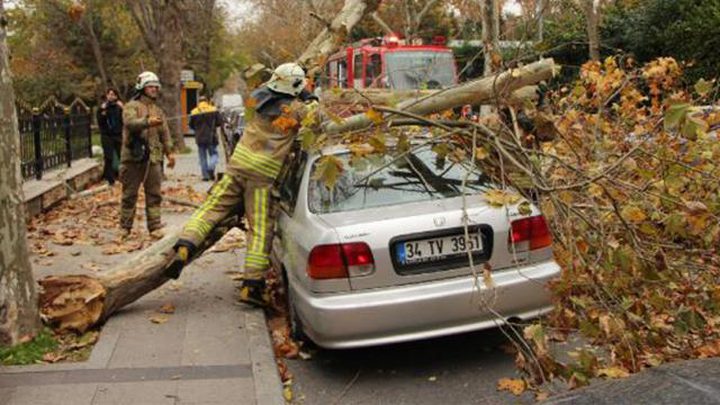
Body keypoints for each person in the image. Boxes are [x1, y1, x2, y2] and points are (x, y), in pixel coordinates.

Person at [165, 63, 318, 306]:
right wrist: (310, 96)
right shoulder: (296, 110)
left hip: (238, 165)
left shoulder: (254, 100)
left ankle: (185, 245)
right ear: (296, 87)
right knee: (260, 229)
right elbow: (317, 118)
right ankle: (252, 286)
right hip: (262, 175)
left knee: (211, 208)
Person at [119, 71, 175, 239]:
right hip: (133, 158)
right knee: (129, 194)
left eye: (156, 86)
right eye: (150, 86)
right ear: (142, 88)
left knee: (154, 194)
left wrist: (169, 152)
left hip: (154, 158)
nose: (154, 89)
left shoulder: (158, 110)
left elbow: (165, 133)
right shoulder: (131, 106)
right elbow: (129, 123)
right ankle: (125, 228)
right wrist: (146, 122)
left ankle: (155, 227)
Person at [189, 96, 221, 181]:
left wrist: (198, 129)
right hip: (211, 137)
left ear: (199, 102)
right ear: (207, 101)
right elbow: (219, 122)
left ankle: (205, 176)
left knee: (202, 157)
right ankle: (211, 167)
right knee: (214, 154)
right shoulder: (213, 110)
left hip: (199, 138)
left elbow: (191, 125)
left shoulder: (194, 112)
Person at [97, 88, 124, 185]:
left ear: (116, 96)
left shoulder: (119, 107)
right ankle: (110, 178)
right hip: (107, 135)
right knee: (108, 156)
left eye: (113, 94)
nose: (111, 96)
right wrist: (102, 111)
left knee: (122, 155)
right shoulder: (103, 107)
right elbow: (100, 122)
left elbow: (125, 120)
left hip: (117, 134)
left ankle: (123, 176)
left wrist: (123, 108)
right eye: (109, 94)